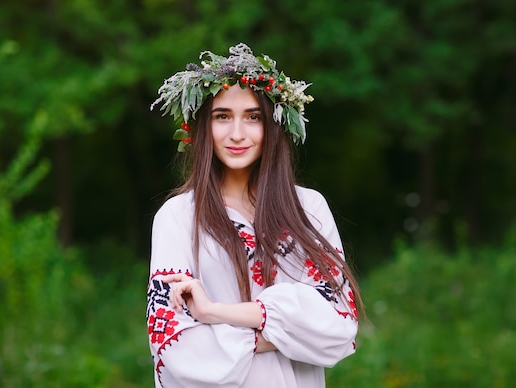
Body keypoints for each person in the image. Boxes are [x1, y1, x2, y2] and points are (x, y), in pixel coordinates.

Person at [147, 43, 363, 387]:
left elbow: (338, 325)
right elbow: (174, 343)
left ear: (274, 125)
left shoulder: (309, 209)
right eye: (222, 117)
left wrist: (213, 314)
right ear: (201, 127)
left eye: (253, 117)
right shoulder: (178, 217)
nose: (237, 134)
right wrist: (291, 332)